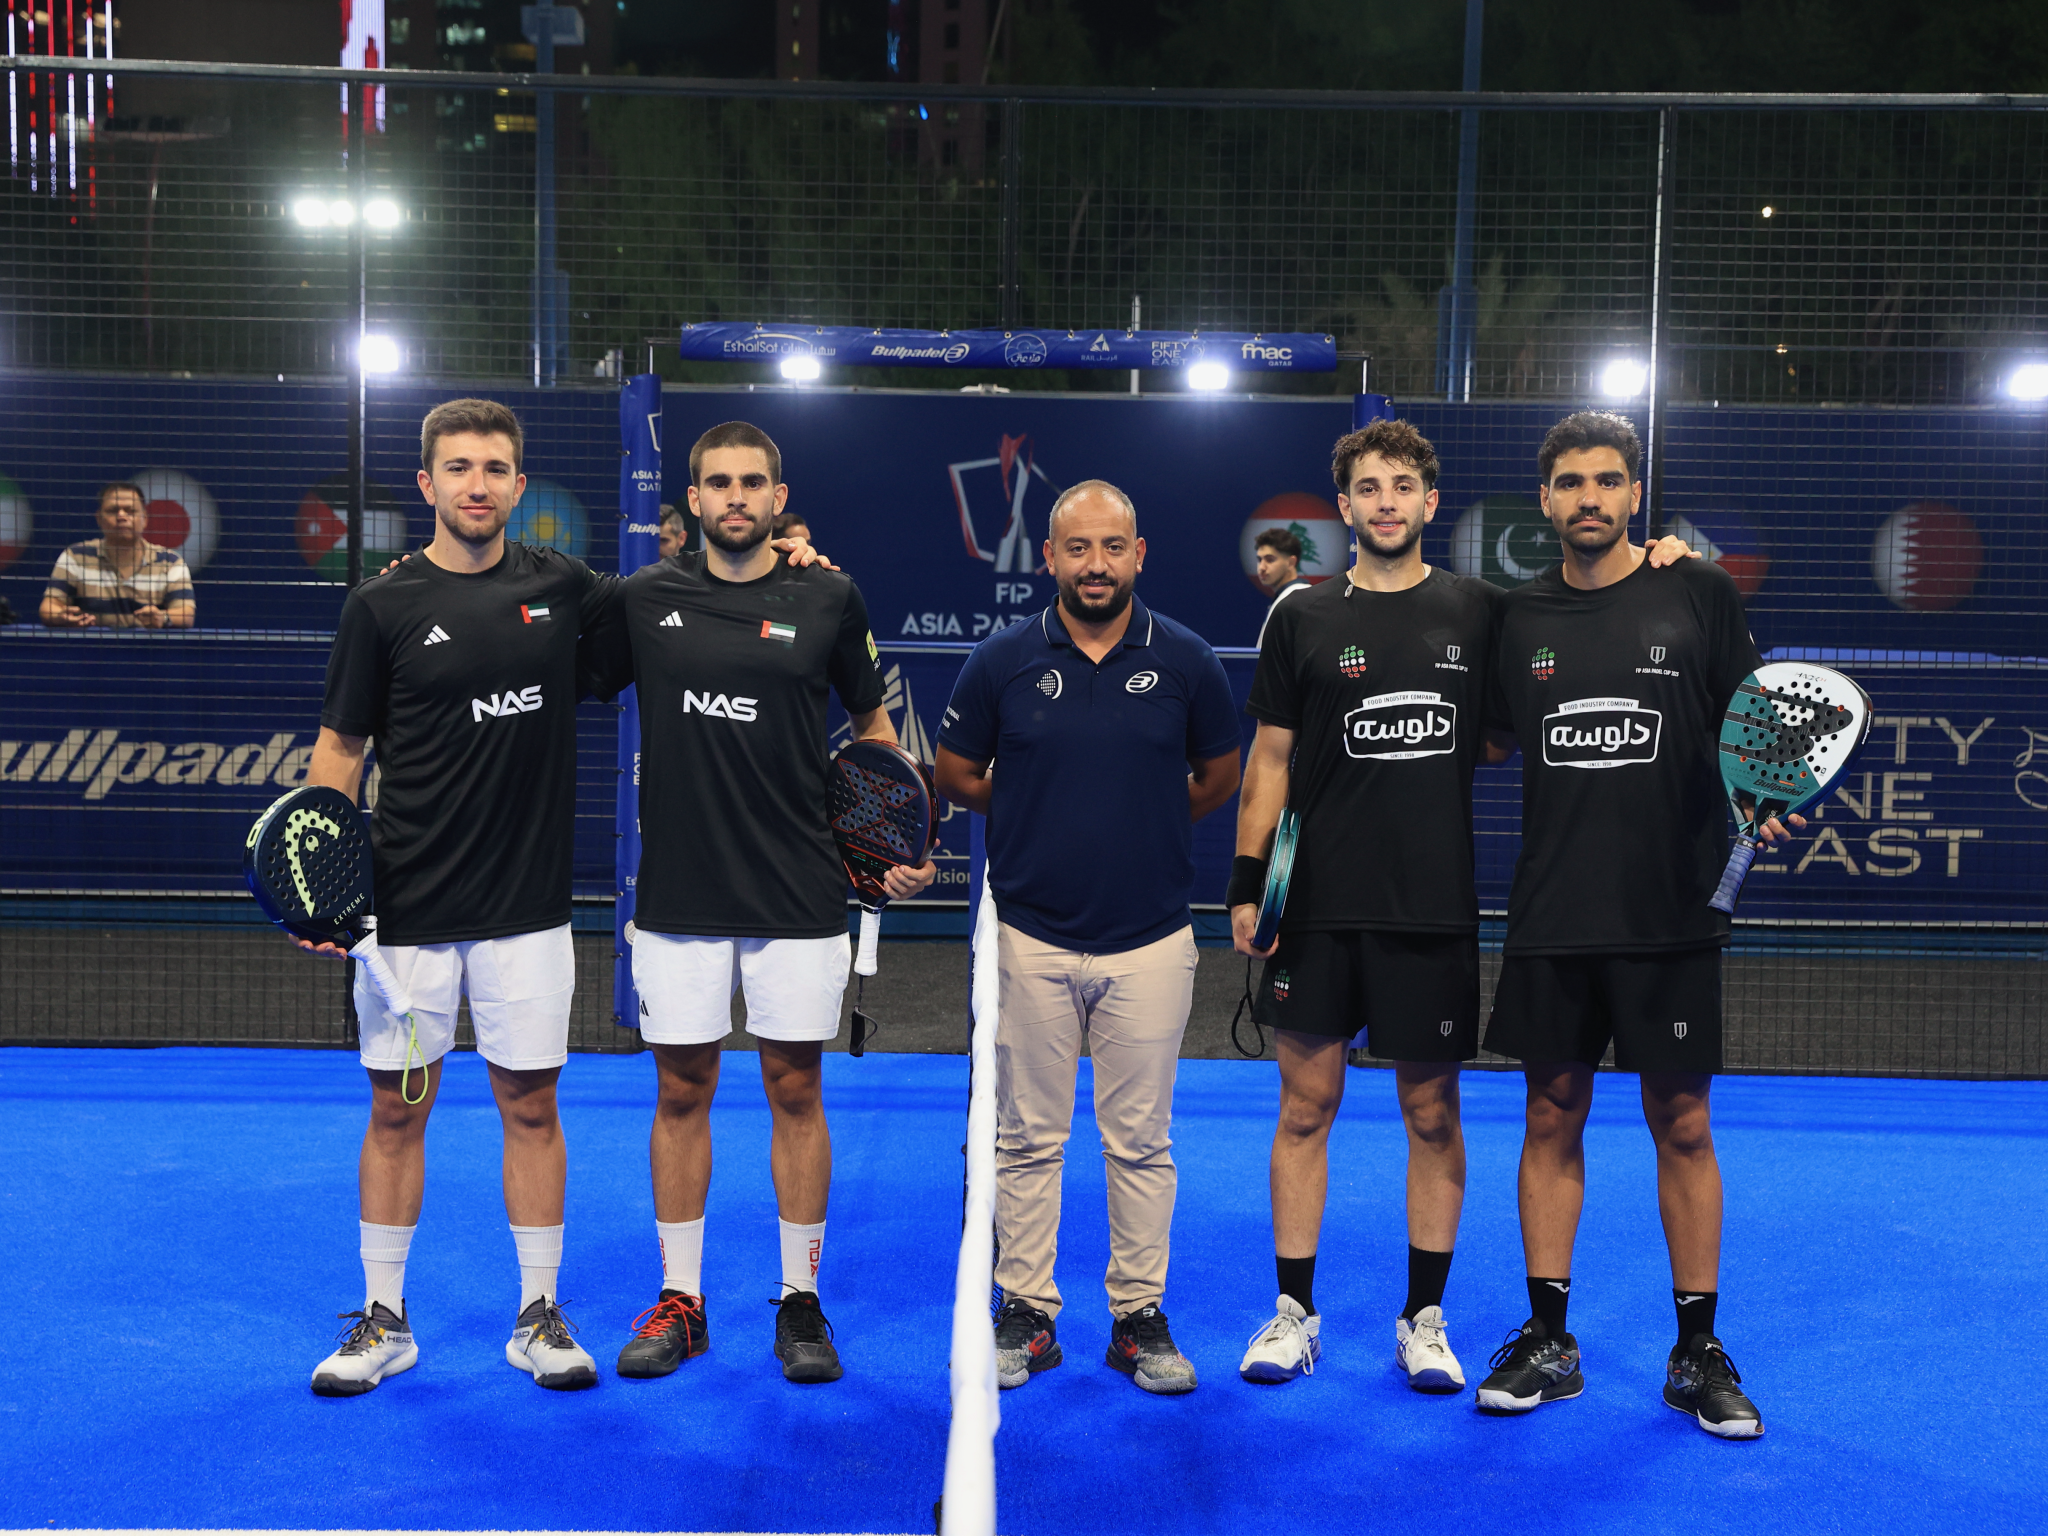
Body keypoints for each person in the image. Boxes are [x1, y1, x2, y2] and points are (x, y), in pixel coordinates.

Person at [1230, 424, 1703, 1391]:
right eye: (1370, 488)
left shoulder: (1484, 611)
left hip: (1432, 909)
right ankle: (1292, 1314)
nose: (1387, 502)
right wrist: (1250, 884)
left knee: (1432, 1113)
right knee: (1305, 1107)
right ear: (1345, 506)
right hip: (1313, 907)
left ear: (1430, 501)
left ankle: (1423, 1319)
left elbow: (1514, 719)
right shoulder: (1300, 615)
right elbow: (1269, 760)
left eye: (1404, 485)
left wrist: (1666, 562)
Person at [580, 421, 934, 1387]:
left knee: (796, 1089)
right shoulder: (643, 599)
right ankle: (681, 1300)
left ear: (779, 498)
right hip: (679, 896)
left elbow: (873, 726)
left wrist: (895, 842)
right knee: (680, 1091)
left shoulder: (829, 596)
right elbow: (545, 648)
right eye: (718, 483)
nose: (735, 497)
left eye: (752, 483)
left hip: (799, 891)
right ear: (692, 500)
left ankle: (800, 1299)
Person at [1474, 411, 1798, 1439]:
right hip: (1551, 913)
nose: (1589, 498)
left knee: (1684, 1124)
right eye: (1570, 482)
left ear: (1634, 495)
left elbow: (1754, 734)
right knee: (1547, 1118)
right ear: (1544, 500)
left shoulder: (1697, 592)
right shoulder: (1512, 618)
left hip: (1670, 914)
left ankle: (1697, 1351)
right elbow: (1482, 741)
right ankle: (1546, 1340)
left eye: (1607, 481)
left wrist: (1763, 795)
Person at [298, 398, 612, 1396]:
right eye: (460, 468)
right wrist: (325, 885)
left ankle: (538, 1315)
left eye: (495, 468)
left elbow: (685, 609)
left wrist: (788, 559)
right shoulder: (379, 606)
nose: (478, 484)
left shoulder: (565, 589)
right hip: (407, 913)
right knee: (397, 1110)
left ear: (520, 485)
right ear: (427, 483)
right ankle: (384, 1320)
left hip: (528, 911)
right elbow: (340, 750)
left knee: (532, 1104)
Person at [935, 480, 1242, 1396]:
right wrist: (1036, 803)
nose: (1096, 564)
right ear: (1050, 558)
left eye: (1112, 547)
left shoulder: (1187, 660)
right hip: (1028, 937)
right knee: (1027, 1139)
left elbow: (1218, 774)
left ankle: (1137, 1319)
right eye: (1078, 548)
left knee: (1140, 1142)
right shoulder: (1001, 660)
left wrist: (1146, 813)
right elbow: (956, 772)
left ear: (1138, 555)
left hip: (1149, 941)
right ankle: (1027, 1313)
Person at [40, 482, 195, 629]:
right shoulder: (76, 557)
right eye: (113, 511)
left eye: (130, 511)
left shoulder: (170, 562)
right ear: (99, 519)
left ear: (145, 519)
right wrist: (60, 616)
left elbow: (186, 614)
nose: (121, 516)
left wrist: (163, 618)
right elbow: (49, 607)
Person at [1252, 526, 1311, 649]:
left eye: (1270, 560)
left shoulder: (1299, 598)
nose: (1261, 567)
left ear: (1291, 562)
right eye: (1259, 560)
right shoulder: (1287, 596)